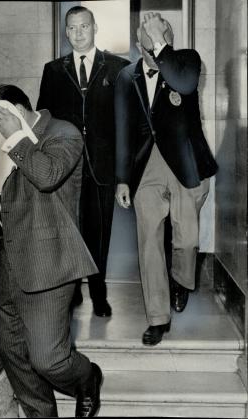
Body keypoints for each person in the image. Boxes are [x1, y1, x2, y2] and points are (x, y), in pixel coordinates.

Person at [0, 84, 103, 417]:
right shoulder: (5, 142)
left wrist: (16, 136)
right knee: (16, 358)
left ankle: (87, 376)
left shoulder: (63, 133)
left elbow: (46, 176)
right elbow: (5, 202)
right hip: (6, 264)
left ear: (17, 109)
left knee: (49, 359)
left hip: (49, 262)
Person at [115, 13, 218, 346]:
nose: (153, 43)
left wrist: (161, 44)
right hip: (146, 167)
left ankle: (180, 280)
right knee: (149, 242)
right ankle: (157, 318)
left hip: (185, 164)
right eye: (146, 38)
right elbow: (123, 130)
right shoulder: (126, 76)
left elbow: (184, 85)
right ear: (136, 44)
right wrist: (122, 179)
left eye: (159, 36)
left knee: (187, 240)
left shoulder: (186, 62)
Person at [37, 6, 129, 317]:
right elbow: (43, 120)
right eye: (72, 28)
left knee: (99, 232)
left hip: (102, 168)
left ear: (95, 27)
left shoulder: (118, 68)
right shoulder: (53, 70)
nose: (78, 33)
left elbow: (125, 126)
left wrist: (123, 175)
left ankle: (99, 293)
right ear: (65, 32)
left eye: (84, 26)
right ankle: (72, 290)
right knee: (69, 229)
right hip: (66, 166)